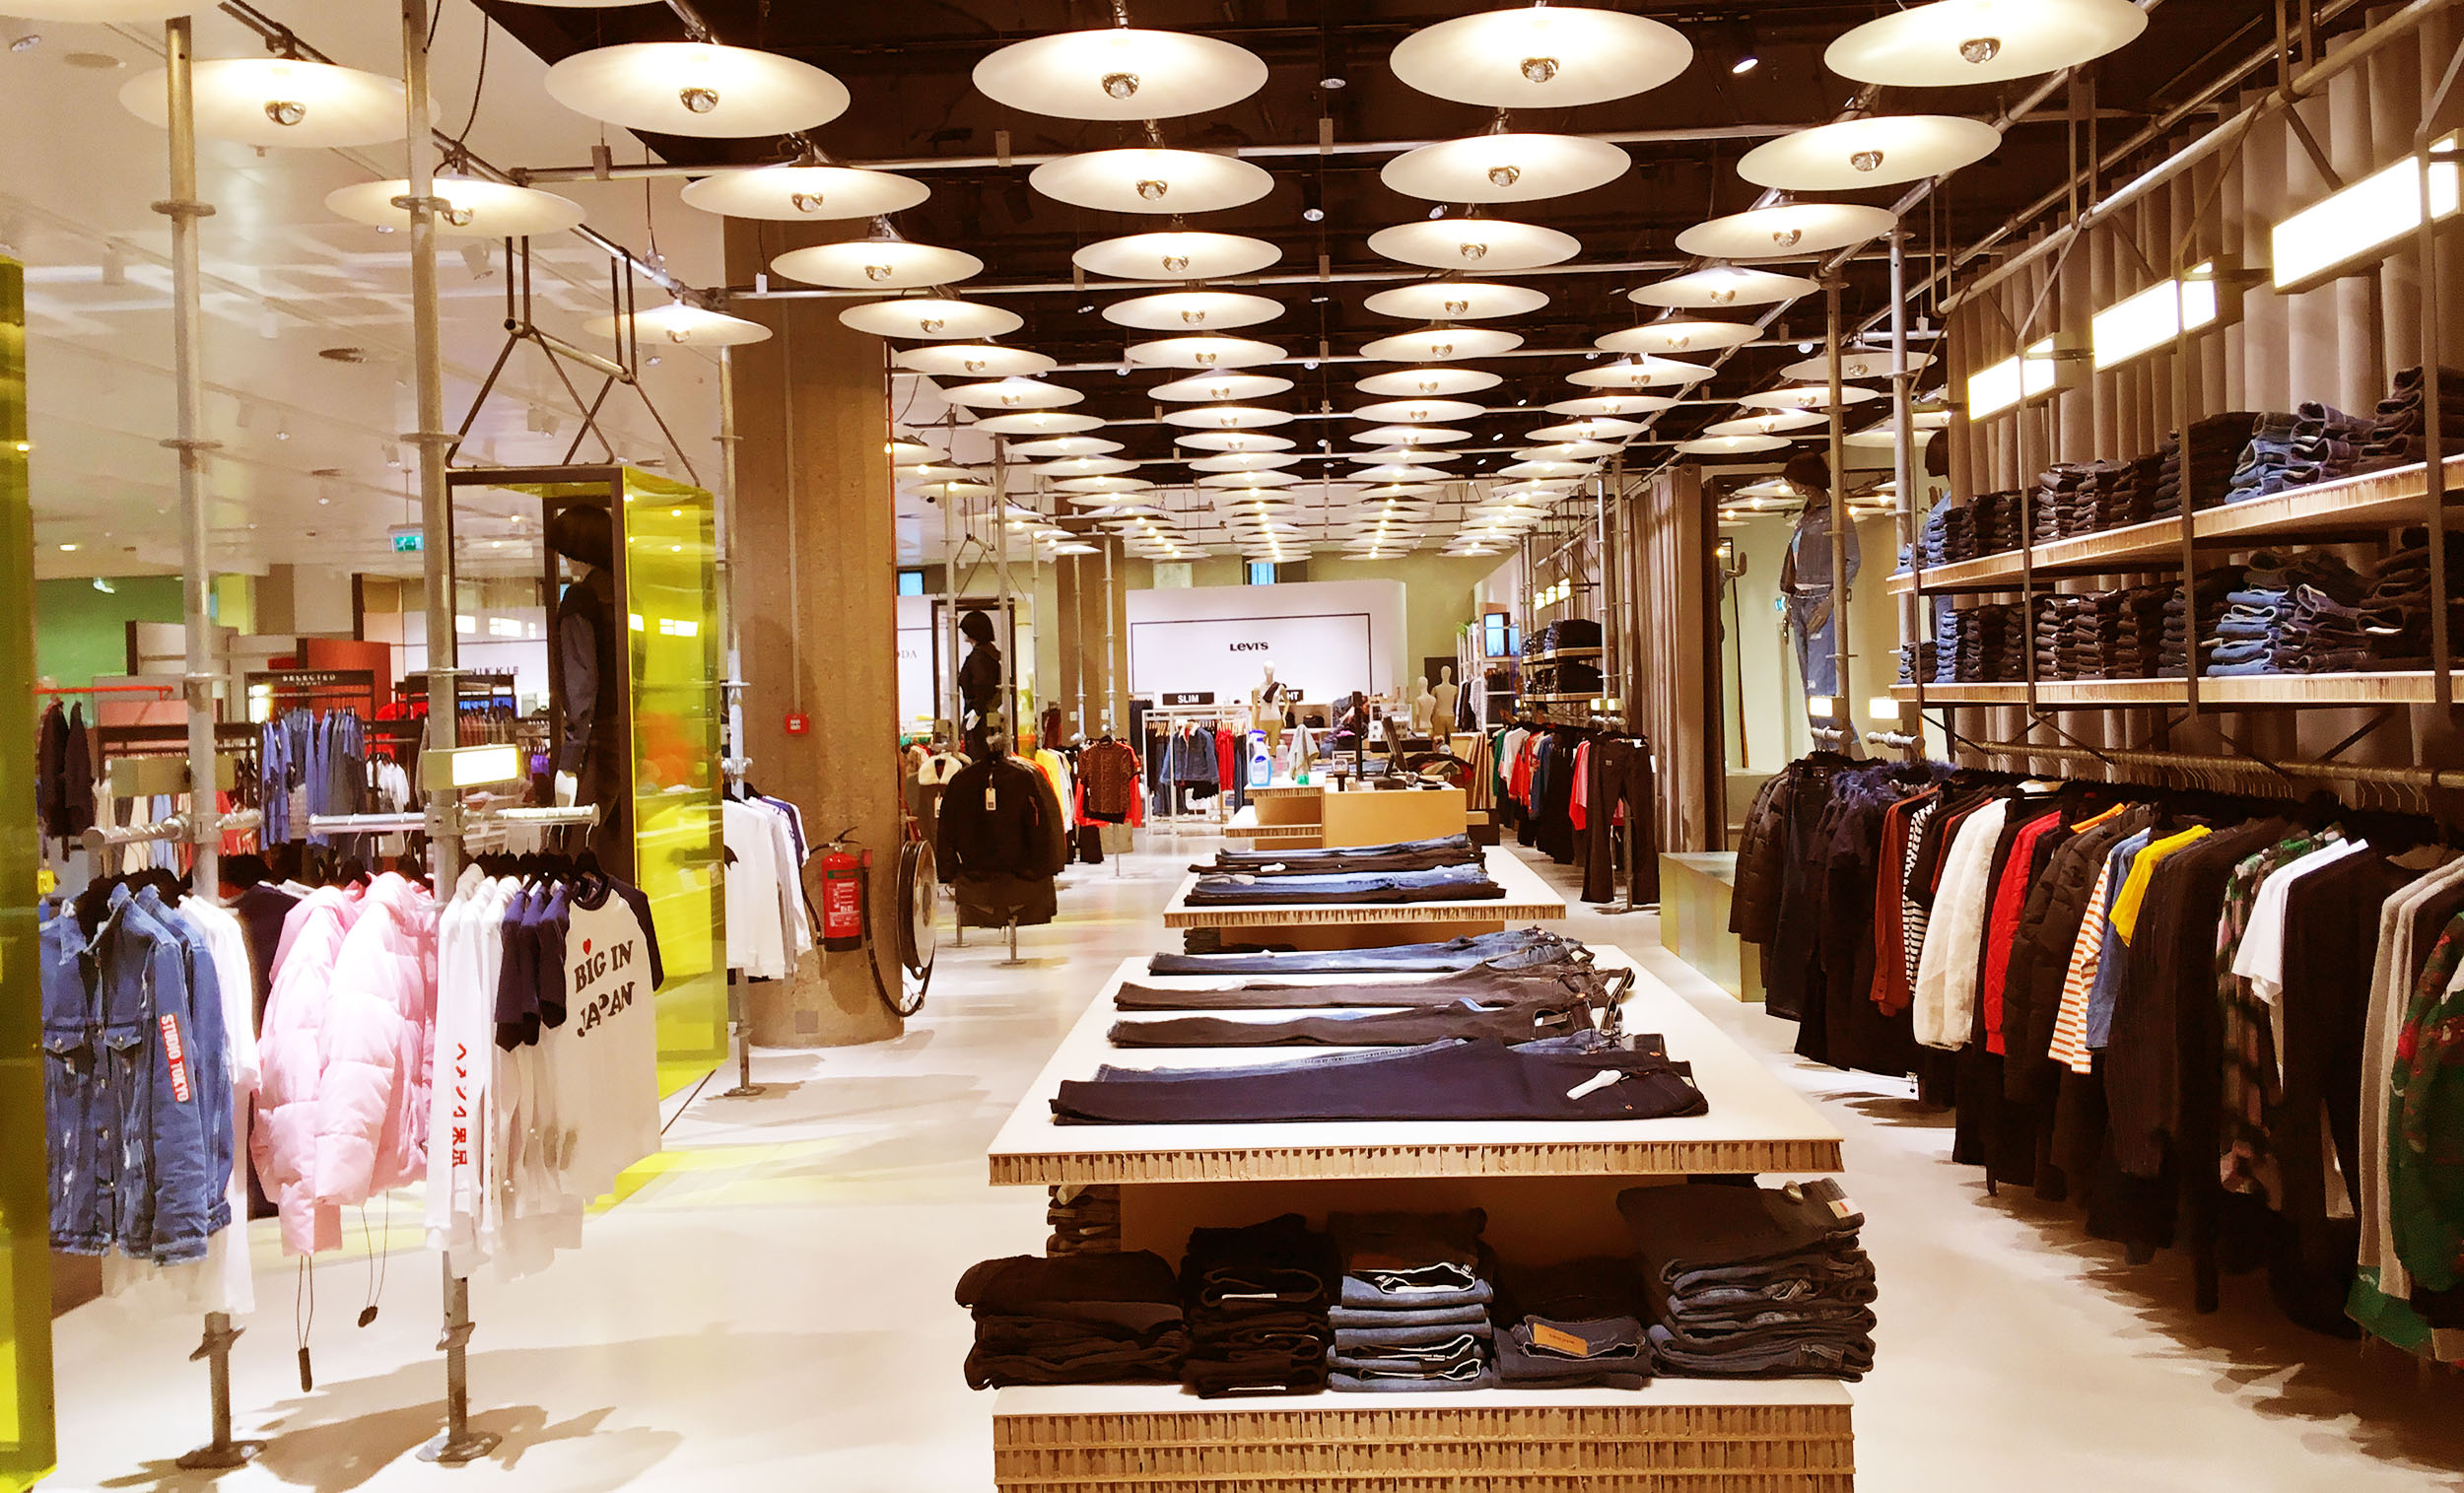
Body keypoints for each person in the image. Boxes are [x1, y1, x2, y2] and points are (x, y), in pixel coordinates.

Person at [957, 609, 1003, 758]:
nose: (963, 633)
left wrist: (977, 710)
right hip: (982, 712)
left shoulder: (979, 657)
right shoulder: (988, 654)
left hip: (979, 716)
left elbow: (982, 685)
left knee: (978, 756)